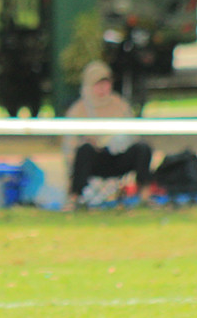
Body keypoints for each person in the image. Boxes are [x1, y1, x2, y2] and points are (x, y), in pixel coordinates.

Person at [63, 60, 153, 209]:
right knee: (84, 150)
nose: (103, 89)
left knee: (143, 149)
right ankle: (74, 198)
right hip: (95, 160)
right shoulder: (78, 110)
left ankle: (145, 196)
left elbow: (134, 134)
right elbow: (69, 146)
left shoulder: (120, 104)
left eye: (106, 84)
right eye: (98, 84)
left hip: (118, 157)